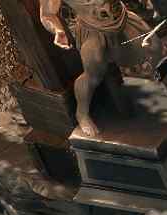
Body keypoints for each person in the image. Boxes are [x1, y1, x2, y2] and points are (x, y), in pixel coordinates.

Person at [38, 0, 131, 138]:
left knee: (153, 46)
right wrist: (58, 30)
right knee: (94, 69)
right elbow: (47, 15)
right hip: (90, 28)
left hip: (117, 16)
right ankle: (82, 113)